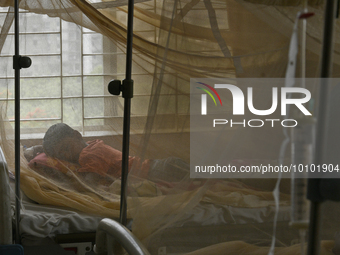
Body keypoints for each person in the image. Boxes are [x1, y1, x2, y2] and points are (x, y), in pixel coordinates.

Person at [41, 123, 189, 182]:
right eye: (61, 155)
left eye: (66, 148)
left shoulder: (88, 154)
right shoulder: (94, 145)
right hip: (156, 168)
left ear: (77, 135)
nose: (66, 156)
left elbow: (89, 183)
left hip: (157, 170)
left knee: (203, 177)